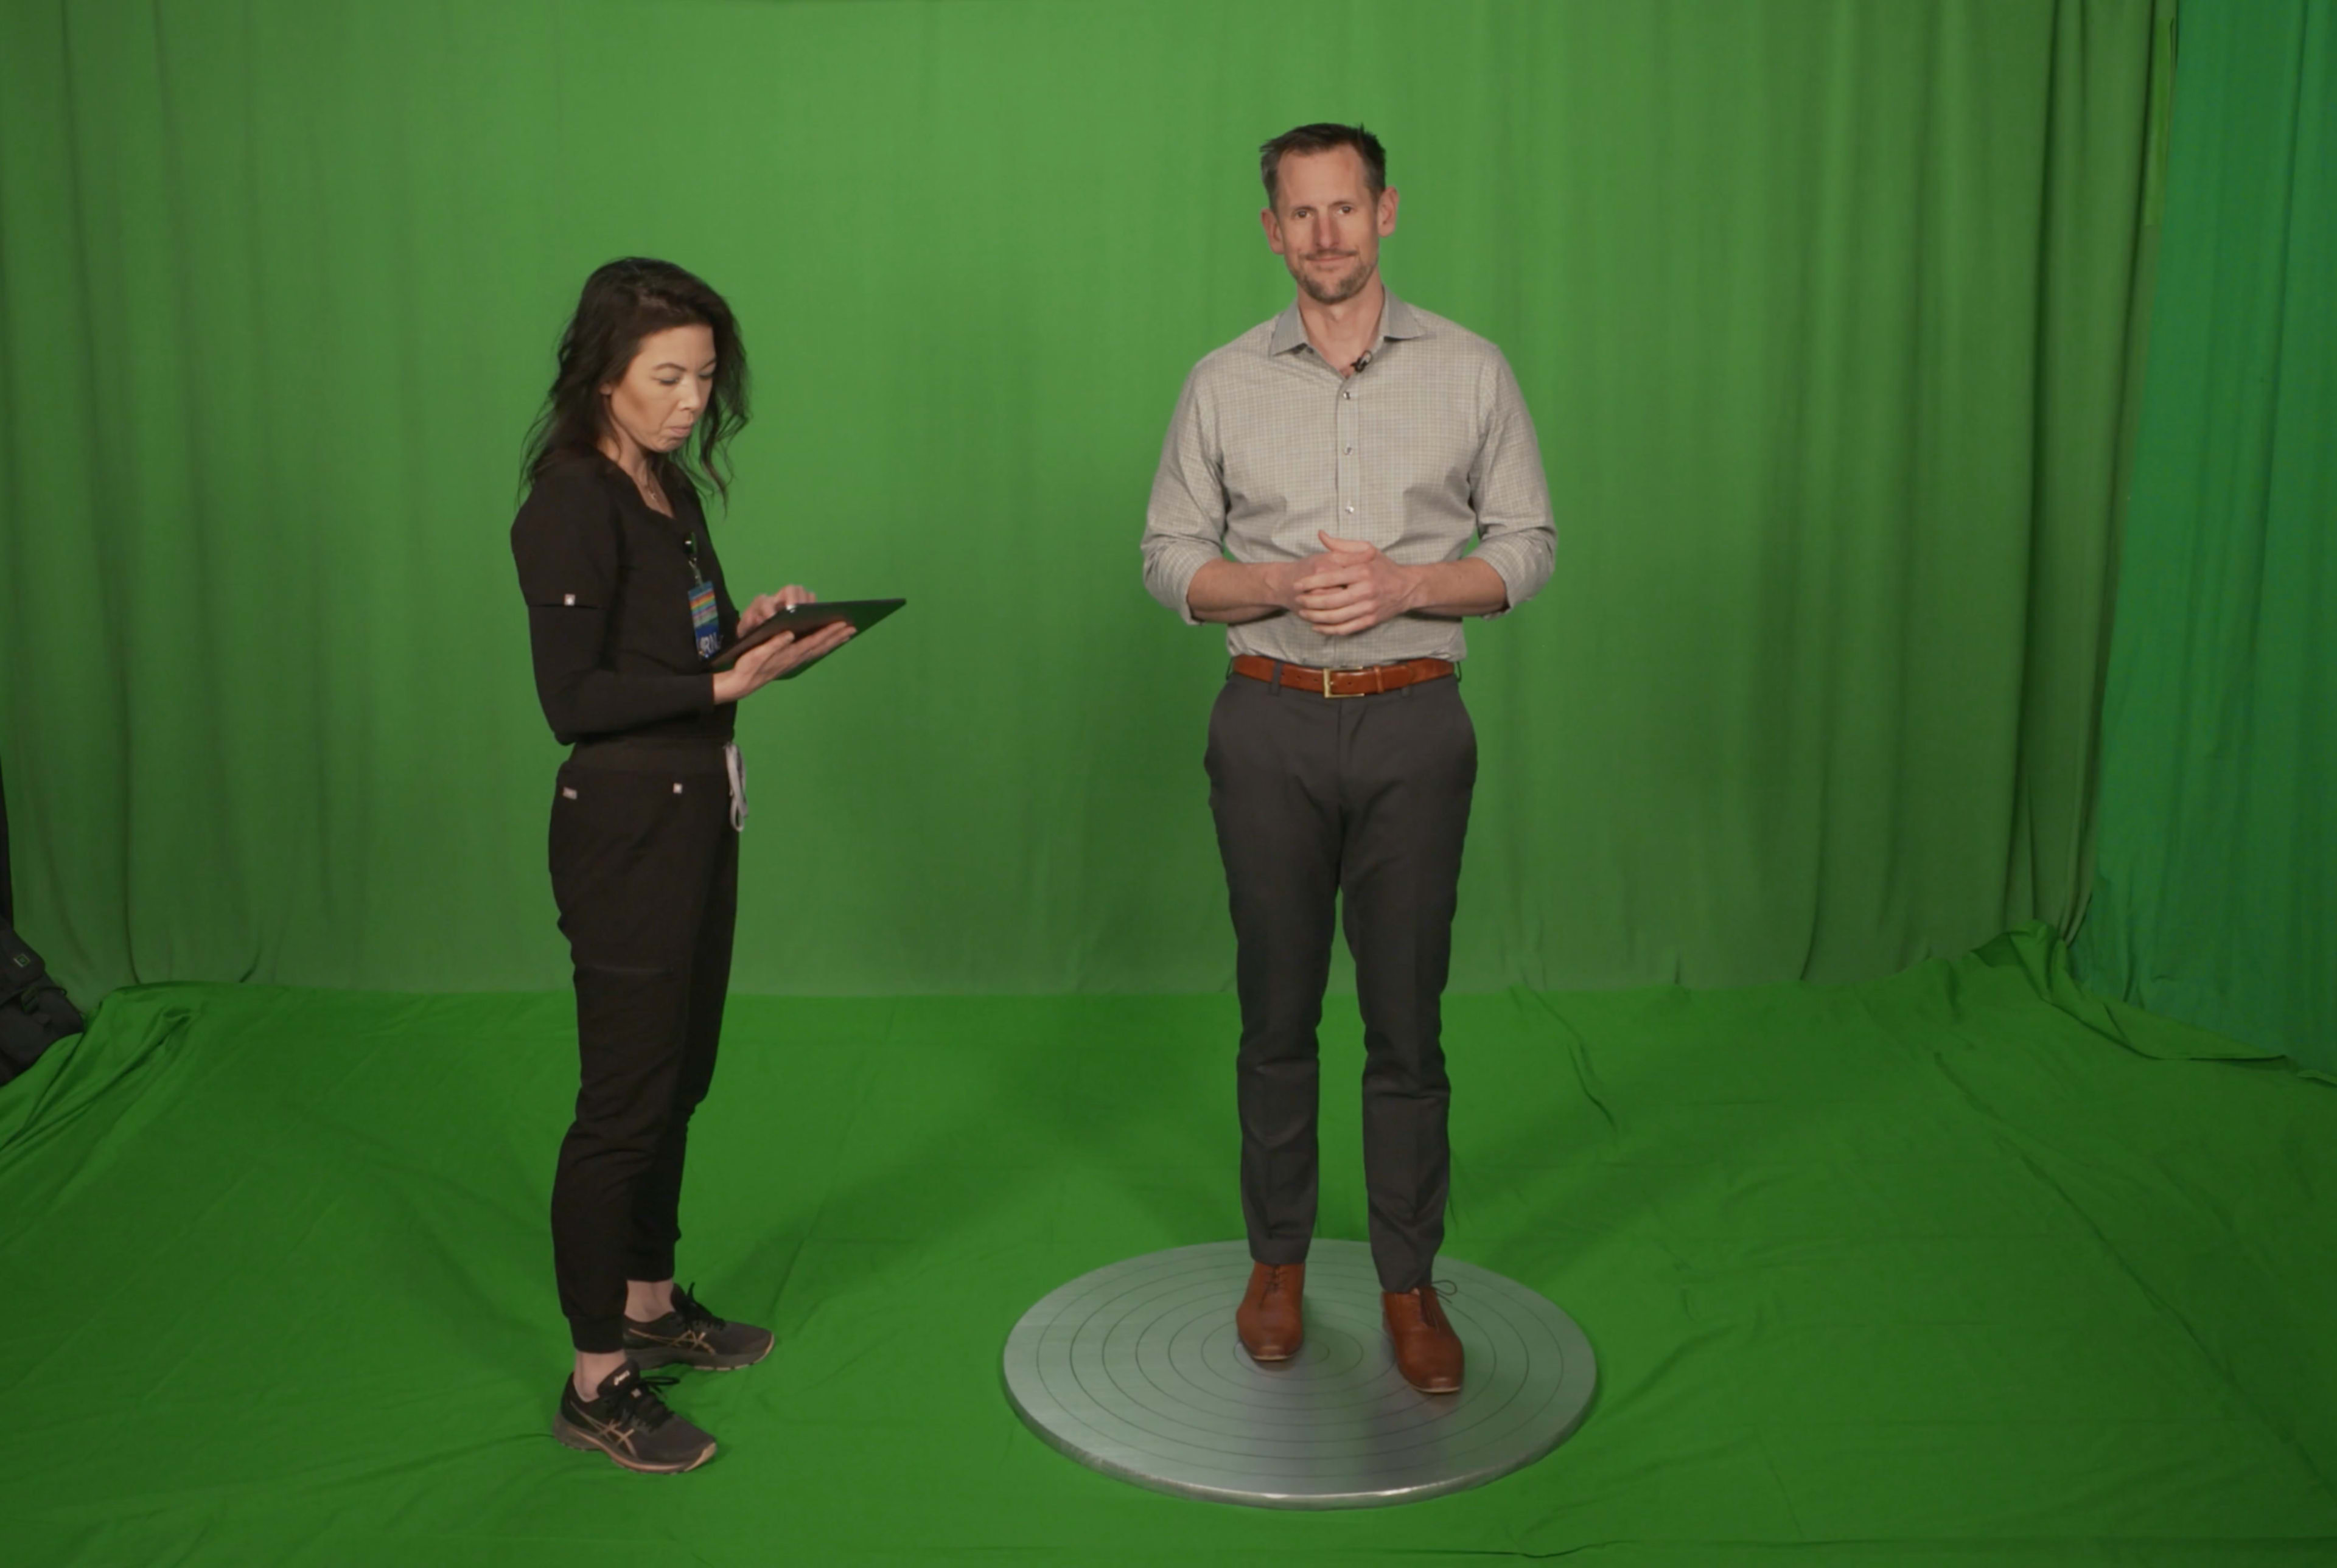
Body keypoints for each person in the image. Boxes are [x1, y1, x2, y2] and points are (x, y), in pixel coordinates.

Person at [1139, 125, 1556, 1393]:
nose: (1325, 233)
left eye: (1346, 208)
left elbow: (1530, 543)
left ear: (1386, 213)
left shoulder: (1474, 371)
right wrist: (1270, 582)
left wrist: (1408, 582)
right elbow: (1165, 558)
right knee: (1275, 1009)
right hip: (1265, 716)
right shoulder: (1219, 381)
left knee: (1405, 1018)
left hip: (1415, 717)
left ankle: (1406, 1278)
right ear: (1271, 231)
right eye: (1299, 213)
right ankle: (1276, 1260)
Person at [510, 257, 853, 1472]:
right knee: (622, 1098)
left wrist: (760, 635)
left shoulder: (666, 489)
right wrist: (721, 682)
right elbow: (575, 696)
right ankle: (595, 1373)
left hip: (704, 805)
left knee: (681, 1072)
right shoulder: (568, 498)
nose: (691, 399)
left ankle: (650, 1302)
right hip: (623, 824)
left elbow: (676, 643)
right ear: (604, 374)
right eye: (668, 376)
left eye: (705, 376)